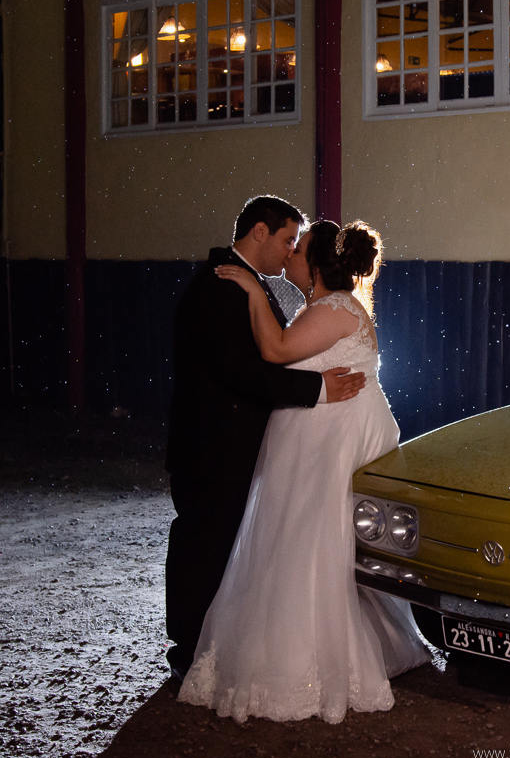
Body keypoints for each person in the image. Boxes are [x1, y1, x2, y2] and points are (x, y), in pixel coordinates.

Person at [178, 220, 430, 724]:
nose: (290, 254)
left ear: (315, 265)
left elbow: (275, 352)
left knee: (308, 545)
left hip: (331, 440)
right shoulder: (322, 307)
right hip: (315, 437)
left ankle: (302, 665)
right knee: (296, 542)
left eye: (298, 248)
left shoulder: (335, 307)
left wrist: (253, 287)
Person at [164, 196, 366, 680]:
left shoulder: (247, 284)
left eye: (297, 243)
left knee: (221, 551)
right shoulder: (221, 286)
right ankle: (188, 657)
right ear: (259, 232)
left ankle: (208, 652)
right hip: (213, 451)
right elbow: (241, 372)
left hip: (230, 448)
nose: (290, 250)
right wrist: (317, 387)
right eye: (286, 240)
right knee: (203, 549)